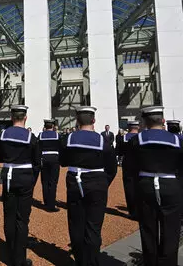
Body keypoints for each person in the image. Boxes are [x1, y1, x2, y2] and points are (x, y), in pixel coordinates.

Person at [59, 106, 117, 266]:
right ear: (94, 120)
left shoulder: (68, 139)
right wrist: (103, 183)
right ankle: (91, 261)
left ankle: (80, 260)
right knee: (93, 226)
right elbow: (112, 168)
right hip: (97, 184)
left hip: (75, 184)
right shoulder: (102, 141)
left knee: (76, 224)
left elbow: (62, 161)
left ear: (77, 121)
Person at [129, 107, 182, 266]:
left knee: (148, 231)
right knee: (171, 232)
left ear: (144, 122)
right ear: (163, 121)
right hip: (171, 186)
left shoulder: (136, 140)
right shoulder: (178, 140)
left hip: (146, 187)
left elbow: (130, 171)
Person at [0, 105, 40, 266]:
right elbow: (36, 161)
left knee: (9, 216)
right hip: (25, 178)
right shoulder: (31, 137)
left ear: (12, 117)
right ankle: (19, 259)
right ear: (25, 118)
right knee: (22, 219)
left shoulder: (4, 135)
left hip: (8, 177)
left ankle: (10, 252)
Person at [115, 120, 140, 220]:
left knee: (129, 188)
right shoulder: (142, 137)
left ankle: (133, 211)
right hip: (141, 165)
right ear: (137, 127)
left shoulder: (123, 138)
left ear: (128, 128)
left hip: (128, 164)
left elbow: (118, 152)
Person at [39, 119, 62, 212]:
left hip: (43, 159)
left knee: (44, 181)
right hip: (55, 159)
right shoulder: (57, 135)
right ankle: (51, 205)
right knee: (53, 182)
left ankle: (46, 202)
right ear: (52, 126)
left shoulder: (40, 135)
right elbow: (61, 148)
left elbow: (38, 148)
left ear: (45, 126)